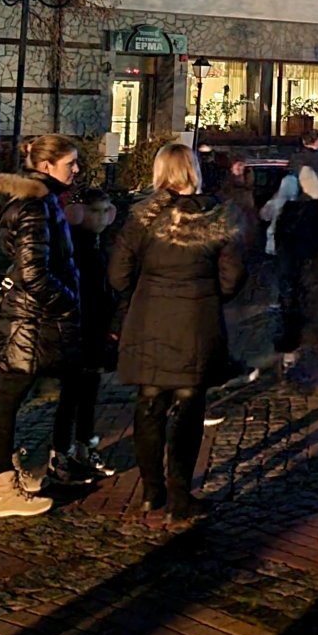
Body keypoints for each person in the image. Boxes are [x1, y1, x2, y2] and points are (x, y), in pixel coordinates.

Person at [109, 143, 246, 521]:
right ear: (193, 171)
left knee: (150, 402)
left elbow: (118, 274)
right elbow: (233, 277)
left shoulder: (142, 217)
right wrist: (207, 293)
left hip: (149, 316)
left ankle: (152, 490)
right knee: (189, 406)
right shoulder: (218, 216)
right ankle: (180, 494)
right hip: (196, 319)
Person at [0, 134, 83, 519]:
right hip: (30, 322)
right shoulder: (36, 206)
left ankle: (8, 477)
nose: (76, 170)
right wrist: (68, 301)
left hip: (28, 320)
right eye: (69, 163)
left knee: (14, 395)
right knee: (9, 397)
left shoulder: (35, 202)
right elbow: (33, 273)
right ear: (45, 167)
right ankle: (2, 487)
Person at [49, 186, 119, 483]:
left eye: (105, 211)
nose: (100, 218)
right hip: (80, 328)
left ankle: (82, 446)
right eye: (94, 211)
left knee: (88, 391)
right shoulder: (76, 245)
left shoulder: (98, 243)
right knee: (72, 393)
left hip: (96, 329)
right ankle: (61, 451)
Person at [266, 163, 318, 377]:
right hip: (317, 272)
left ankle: (290, 357)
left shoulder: (287, 214)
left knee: (292, 312)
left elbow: (280, 244)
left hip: (294, 271)